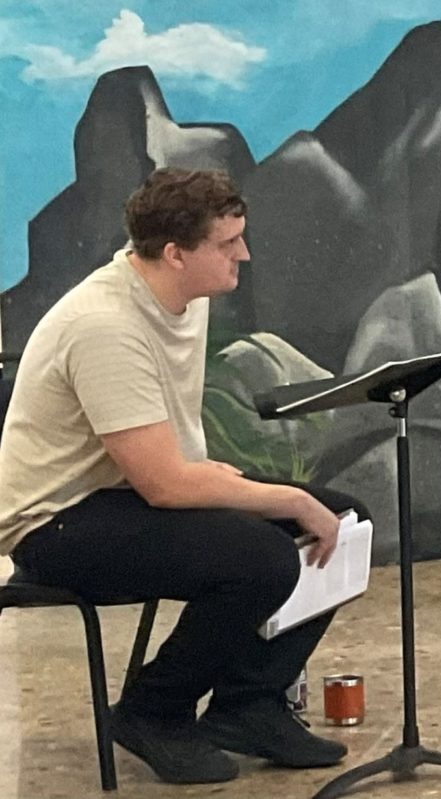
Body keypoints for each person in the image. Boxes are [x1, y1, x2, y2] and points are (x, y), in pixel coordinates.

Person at [0, 169, 364, 786]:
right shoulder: (104, 324)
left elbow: (167, 456)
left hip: (127, 489)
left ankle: (247, 703)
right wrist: (285, 498)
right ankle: (153, 710)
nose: (243, 255)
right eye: (227, 244)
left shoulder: (183, 299)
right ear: (175, 254)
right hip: (56, 520)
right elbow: (164, 487)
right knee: (262, 557)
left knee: (350, 518)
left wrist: (244, 487)